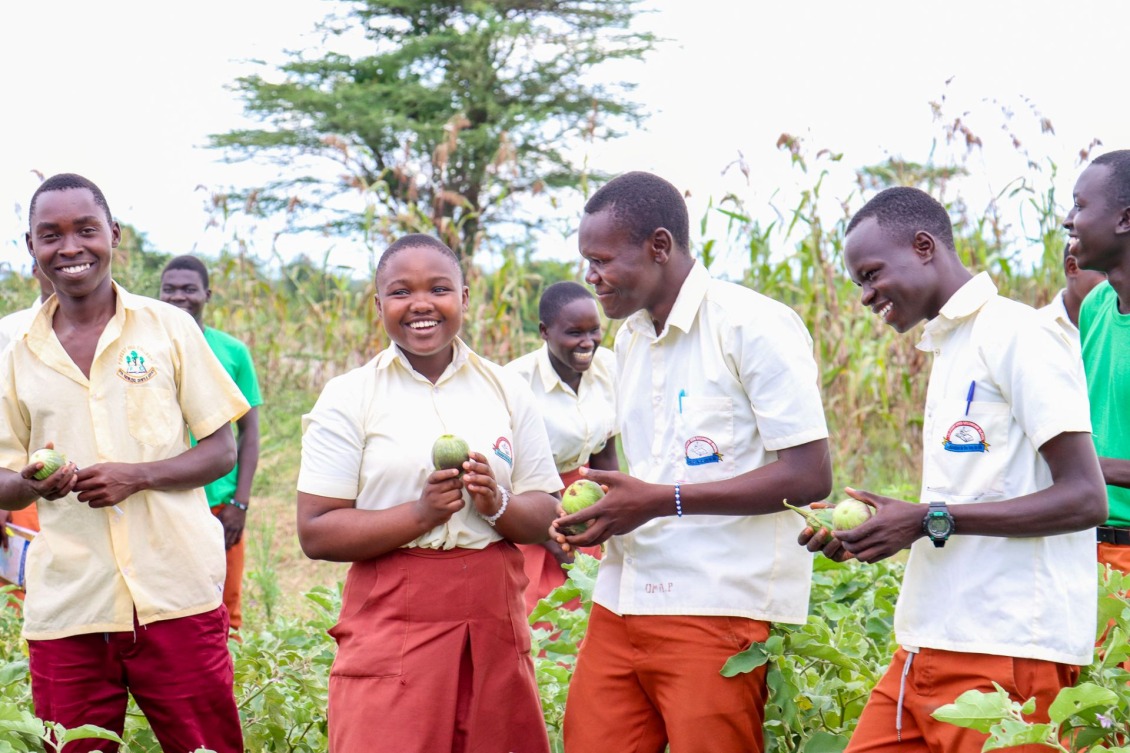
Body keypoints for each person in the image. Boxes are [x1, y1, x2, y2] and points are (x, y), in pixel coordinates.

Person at [807, 186, 1107, 753]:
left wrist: (927, 520)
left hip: (1008, 653)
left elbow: (1084, 498)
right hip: (926, 643)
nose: (867, 296)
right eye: (858, 284)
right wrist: (878, 526)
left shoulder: (1019, 333)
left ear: (924, 246)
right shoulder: (949, 347)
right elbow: (969, 494)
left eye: (871, 274)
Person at [553, 171, 833, 753]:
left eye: (602, 259)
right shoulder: (629, 339)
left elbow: (809, 474)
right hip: (622, 597)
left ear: (660, 246)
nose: (591, 276)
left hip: (715, 603)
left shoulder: (751, 324)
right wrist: (611, 509)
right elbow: (652, 473)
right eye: (586, 260)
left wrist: (662, 501)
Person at [0, 173, 250, 753]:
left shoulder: (169, 329)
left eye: (86, 229)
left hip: (176, 590)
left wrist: (137, 475)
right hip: (71, 605)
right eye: (50, 234)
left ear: (113, 234)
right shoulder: (13, 351)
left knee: (206, 746)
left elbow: (221, 449)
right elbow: (5, 481)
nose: (70, 247)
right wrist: (38, 485)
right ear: (30, 247)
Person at [295, 233, 562, 753]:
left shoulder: (505, 389)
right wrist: (420, 513)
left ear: (463, 297)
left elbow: (546, 509)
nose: (421, 304)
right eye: (400, 292)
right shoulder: (350, 396)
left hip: (493, 614)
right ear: (379, 305)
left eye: (439, 288)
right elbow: (316, 531)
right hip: (394, 613)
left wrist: (496, 503)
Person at [160, 254, 262, 633]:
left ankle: (231, 684)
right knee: (169, 604)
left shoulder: (232, 352)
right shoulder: (146, 351)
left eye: (189, 289)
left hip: (220, 503)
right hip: (164, 497)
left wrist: (240, 502)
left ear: (207, 294)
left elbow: (249, 432)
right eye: (169, 289)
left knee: (225, 603)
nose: (178, 297)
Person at [505, 280, 617, 614]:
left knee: (591, 613)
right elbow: (508, 477)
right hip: (532, 509)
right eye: (574, 333)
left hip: (587, 505)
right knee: (540, 620)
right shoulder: (517, 382)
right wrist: (556, 542)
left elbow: (605, 453)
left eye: (594, 331)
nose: (587, 343)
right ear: (544, 331)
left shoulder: (610, 369)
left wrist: (610, 518)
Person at [1064, 149, 1130, 578]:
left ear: (1125, 219)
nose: (1069, 220)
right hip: (1085, 550)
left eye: (1080, 205)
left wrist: (1088, 466)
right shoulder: (1096, 307)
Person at [0, 261, 53, 572]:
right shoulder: (11, 330)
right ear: (35, 268)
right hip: (19, 479)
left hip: (85, 483)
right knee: (22, 582)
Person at [1038, 241, 1105, 344]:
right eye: (1104, 272)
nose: (1114, 280)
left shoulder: (1119, 329)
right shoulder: (1038, 327)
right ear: (1072, 267)